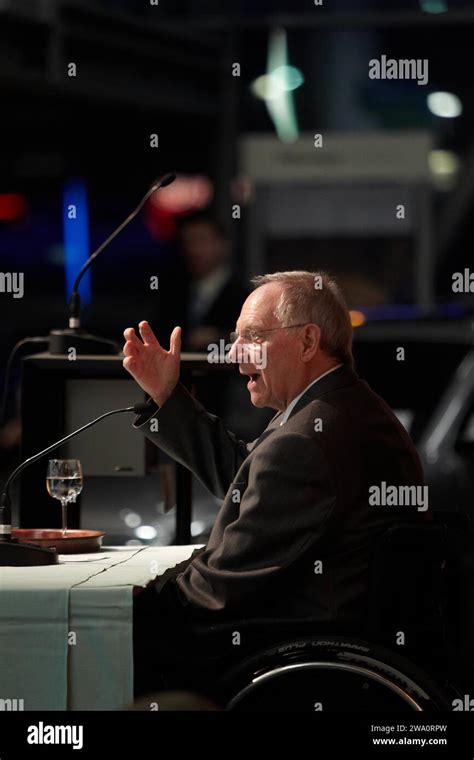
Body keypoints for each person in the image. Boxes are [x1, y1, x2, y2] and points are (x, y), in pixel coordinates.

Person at [123, 270, 429, 696]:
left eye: (251, 337)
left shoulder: (310, 436)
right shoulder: (335, 408)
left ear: (307, 342)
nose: (233, 354)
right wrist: (167, 396)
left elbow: (214, 592)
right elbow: (248, 478)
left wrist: (121, 603)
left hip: (292, 656)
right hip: (325, 641)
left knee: (125, 641)